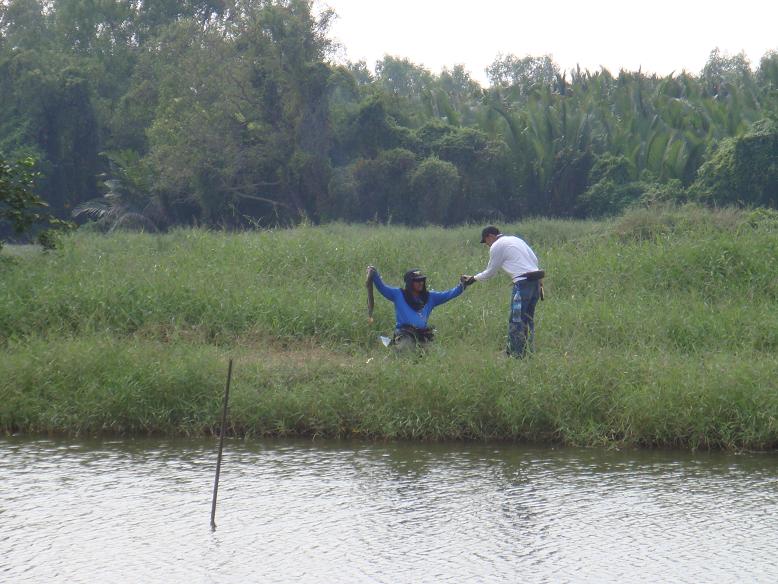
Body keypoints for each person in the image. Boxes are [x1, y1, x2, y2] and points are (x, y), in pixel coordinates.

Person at [462, 226, 544, 357]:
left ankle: (515, 354)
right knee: (528, 319)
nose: (487, 245)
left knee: (516, 320)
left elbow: (490, 271)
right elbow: (534, 259)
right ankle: (528, 352)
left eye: (486, 242)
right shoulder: (516, 240)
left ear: (490, 236)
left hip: (522, 283)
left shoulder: (497, 245)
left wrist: (473, 278)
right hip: (535, 282)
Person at [366, 266, 466, 351]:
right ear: (409, 282)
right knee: (406, 349)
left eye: (422, 280)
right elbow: (382, 287)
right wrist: (374, 274)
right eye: (417, 281)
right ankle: (390, 344)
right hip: (404, 334)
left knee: (432, 353)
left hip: (422, 335)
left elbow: (449, 294)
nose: (421, 283)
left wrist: (462, 285)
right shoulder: (398, 294)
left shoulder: (431, 297)